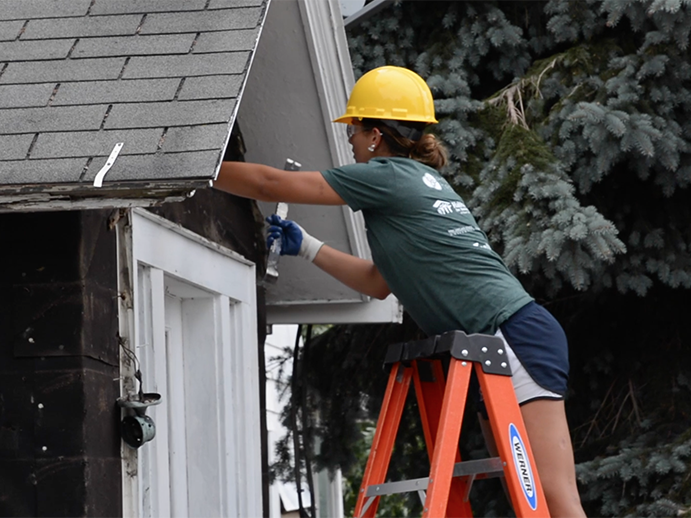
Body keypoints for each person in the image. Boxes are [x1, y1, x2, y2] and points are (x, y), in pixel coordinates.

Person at [213, 65, 587, 517]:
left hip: (513, 335)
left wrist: (197, 169)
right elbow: (379, 284)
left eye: (354, 130)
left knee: (553, 496)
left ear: (375, 135)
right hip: (506, 335)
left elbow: (271, 184)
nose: (349, 141)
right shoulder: (418, 182)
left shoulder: (388, 177)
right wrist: (307, 246)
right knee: (527, 496)